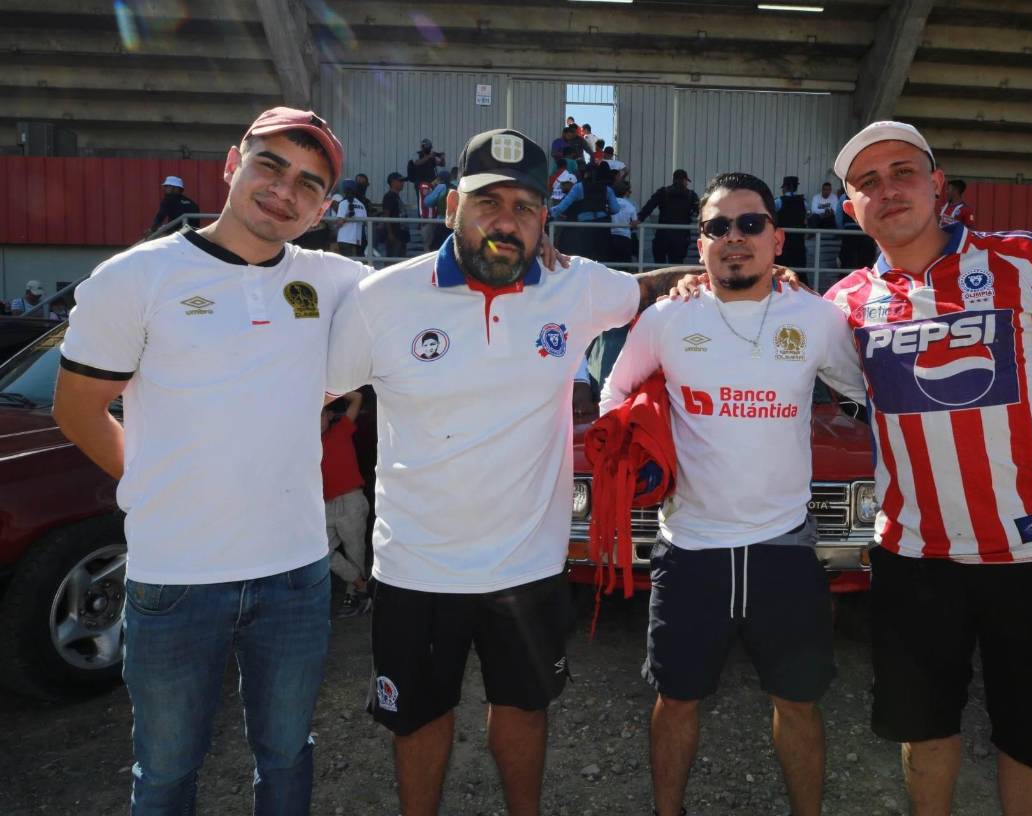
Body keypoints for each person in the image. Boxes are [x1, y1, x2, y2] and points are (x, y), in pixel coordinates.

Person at [324, 127, 700, 816]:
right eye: (487, 202)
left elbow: (650, 290)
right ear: (449, 210)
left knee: (524, 711)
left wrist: (741, 272)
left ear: (544, 219)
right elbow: (308, 394)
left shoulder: (573, 285)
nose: (506, 220)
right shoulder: (382, 299)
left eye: (525, 206)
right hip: (416, 568)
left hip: (528, 567)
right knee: (418, 719)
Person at [52, 106, 363, 815]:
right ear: (232, 164)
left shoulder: (339, 281)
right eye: (271, 166)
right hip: (176, 578)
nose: (285, 192)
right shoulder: (135, 278)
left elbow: (430, 294)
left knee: (286, 757)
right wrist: (157, 484)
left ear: (322, 208)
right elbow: (76, 409)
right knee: (165, 772)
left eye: (309, 184)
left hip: (295, 575)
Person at [823, 120, 1032, 815]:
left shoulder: (1021, 261)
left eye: (902, 172)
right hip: (913, 560)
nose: (887, 190)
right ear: (851, 209)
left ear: (938, 185)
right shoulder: (839, 307)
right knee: (924, 734)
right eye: (866, 183)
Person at [602, 172, 864, 816]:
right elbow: (613, 398)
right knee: (677, 699)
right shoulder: (668, 318)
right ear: (702, 245)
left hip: (784, 549)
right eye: (720, 227)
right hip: (690, 549)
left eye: (750, 224)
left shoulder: (818, 317)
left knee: (799, 703)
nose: (735, 238)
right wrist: (646, 444)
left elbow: (870, 394)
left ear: (778, 239)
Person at [322, 390, 371, 617]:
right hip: (325, 504)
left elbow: (357, 398)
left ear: (331, 415)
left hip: (350, 500)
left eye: (321, 414)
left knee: (355, 552)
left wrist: (327, 390)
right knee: (322, 551)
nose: (317, 420)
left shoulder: (341, 429)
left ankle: (356, 597)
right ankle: (362, 585)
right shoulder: (306, 443)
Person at [549, 161, 620, 261]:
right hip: (602, 228)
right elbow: (616, 209)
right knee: (602, 261)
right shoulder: (607, 189)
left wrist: (549, 213)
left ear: (585, 173)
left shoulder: (578, 187)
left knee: (584, 261)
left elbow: (562, 207)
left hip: (583, 229)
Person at [638, 170, 699, 264]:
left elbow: (649, 206)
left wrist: (639, 219)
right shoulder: (691, 195)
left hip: (663, 235)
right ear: (684, 180)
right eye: (686, 181)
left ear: (673, 179)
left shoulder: (663, 192)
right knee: (676, 267)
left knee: (658, 266)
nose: (687, 183)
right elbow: (700, 212)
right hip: (681, 237)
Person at [775, 175, 809, 277]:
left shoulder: (778, 201)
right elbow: (806, 216)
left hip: (783, 241)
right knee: (799, 268)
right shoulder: (804, 202)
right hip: (799, 241)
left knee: (782, 267)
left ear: (785, 188)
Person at [407, 138, 446, 214]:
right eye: (426, 146)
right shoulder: (417, 154)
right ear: (422, 147)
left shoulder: (432, 157)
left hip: (432, 184)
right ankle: (421, 221)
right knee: (422, 204)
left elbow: (442, 164)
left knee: (433, 202)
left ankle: (433, 218)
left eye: (429, 146)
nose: (428, 148)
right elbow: (416, 163)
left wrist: (442, 158)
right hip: (420, 184)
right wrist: (429, 157)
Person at [333, 178, 368, 257]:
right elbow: (366, 222)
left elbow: (339, 223)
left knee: (346, 264)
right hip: (357, 239)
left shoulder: (343, 203)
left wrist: (336, 225)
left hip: (344, 239)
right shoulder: (361, 205)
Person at [608, 179, 638, 264]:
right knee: (624, 266)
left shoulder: (607, 203)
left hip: (609, 237)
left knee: (610, 266)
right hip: (625, 238)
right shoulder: (631, 206)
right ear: (626, 192)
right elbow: (635, 223)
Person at [382, 171, 409, 258]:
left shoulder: (397, 197)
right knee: (392, 262)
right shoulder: (389, 196)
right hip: (395, 235)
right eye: (400, 181)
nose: (403, 183)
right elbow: (386, 215)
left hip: (401, 235)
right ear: (393, 182)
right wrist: (390, 234)